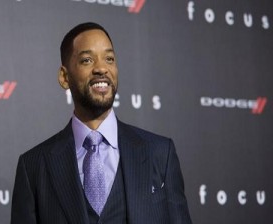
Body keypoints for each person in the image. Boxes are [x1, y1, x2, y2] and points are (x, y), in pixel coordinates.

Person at [11, 22, 192, 224]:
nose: (101, 68)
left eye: (109, 59)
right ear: (64, 77)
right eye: (87, 60)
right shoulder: (34, 166)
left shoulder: (160, 153)